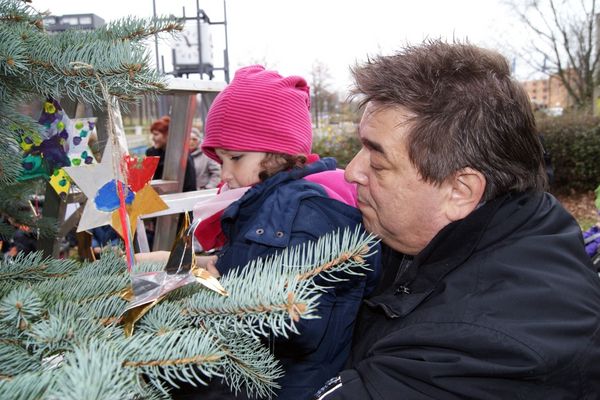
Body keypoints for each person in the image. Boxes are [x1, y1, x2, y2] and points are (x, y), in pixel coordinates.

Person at [314, 40, 600, 399]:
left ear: (461, 190)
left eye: (378, 159)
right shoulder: (510, 222)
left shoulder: (478, 351)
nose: (351, 172)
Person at [157, 65, 381, 400]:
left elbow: (292, 318)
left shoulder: (297, 213)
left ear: (279, 153)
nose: (227, 175)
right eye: (221, 161)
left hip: (282, 384)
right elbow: (245, 263)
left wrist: (192, 295)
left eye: (235, 158)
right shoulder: (270, 203)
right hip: (265, 373)